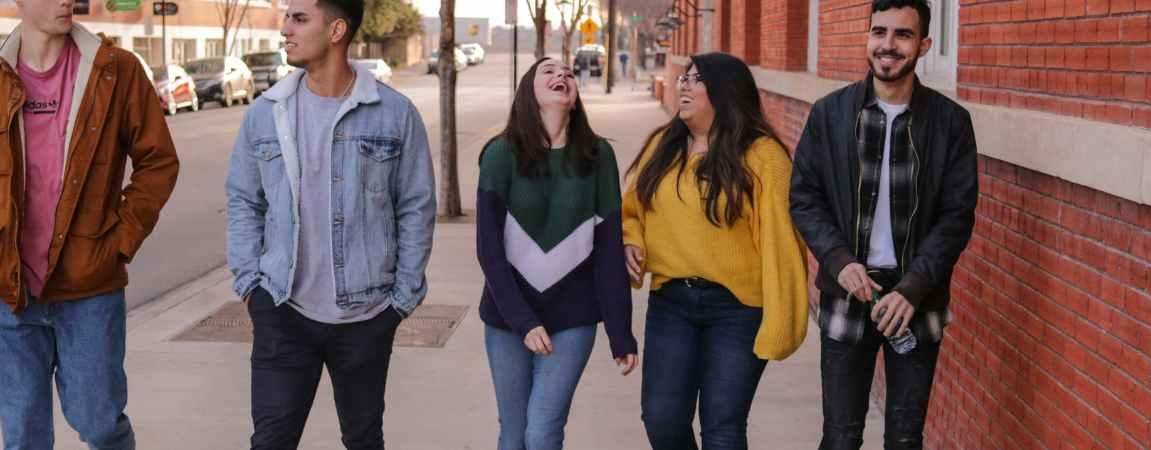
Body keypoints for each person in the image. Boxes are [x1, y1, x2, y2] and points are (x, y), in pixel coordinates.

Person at [0, 0, 180, 448]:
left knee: (100, 424)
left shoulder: (116, 71)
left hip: (90, 287)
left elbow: (158, 162)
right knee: (23, 436)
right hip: (11, 291)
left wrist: (120, 242)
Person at [224, 0, 436, 448]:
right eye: (286, 17)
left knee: (363, 439)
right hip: (282, 307)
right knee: (271, 441)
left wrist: (401, 299)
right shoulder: (266, 112)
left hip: (366, 314)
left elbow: (416, 207)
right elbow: (244, 200)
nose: (285, 29)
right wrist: (250, 284)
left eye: (299, 18)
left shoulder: (394, 113)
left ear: (337, 30)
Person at [787, 0, 978, 448]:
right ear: (867, 37)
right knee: (840, 437)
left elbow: (956, 216)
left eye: (902, 35)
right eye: (879, 32)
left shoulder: (951, 123)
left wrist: (913, 287)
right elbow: (804, 197)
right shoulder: (829, 114)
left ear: (924, 45)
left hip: (916, 297)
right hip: (848, 291)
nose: (888, 45)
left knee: (905, 438)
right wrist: (838, 260)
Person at [623, 52, 809, 450]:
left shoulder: (763, 157)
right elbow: (631, 211)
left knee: (723, 428)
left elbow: (783, 244)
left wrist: (782, 321)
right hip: (671, 302)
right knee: (662, 421)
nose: (684, 86)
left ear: (725, 91)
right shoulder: (662, 146)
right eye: (683, 78)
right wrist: (631, 241)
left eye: (696, 80)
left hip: (738, 310)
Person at [476, 57, 639, 450]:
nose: (561, 75)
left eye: (567, 73)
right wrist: (522, 320)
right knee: (513, 436)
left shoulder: (598, 156)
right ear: (528, 91)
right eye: (548, 71)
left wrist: (620, 332)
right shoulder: (500, 154)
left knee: (542, 432)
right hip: (508, 318)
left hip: (572, 318)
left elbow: (608, 251)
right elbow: (489, 250)